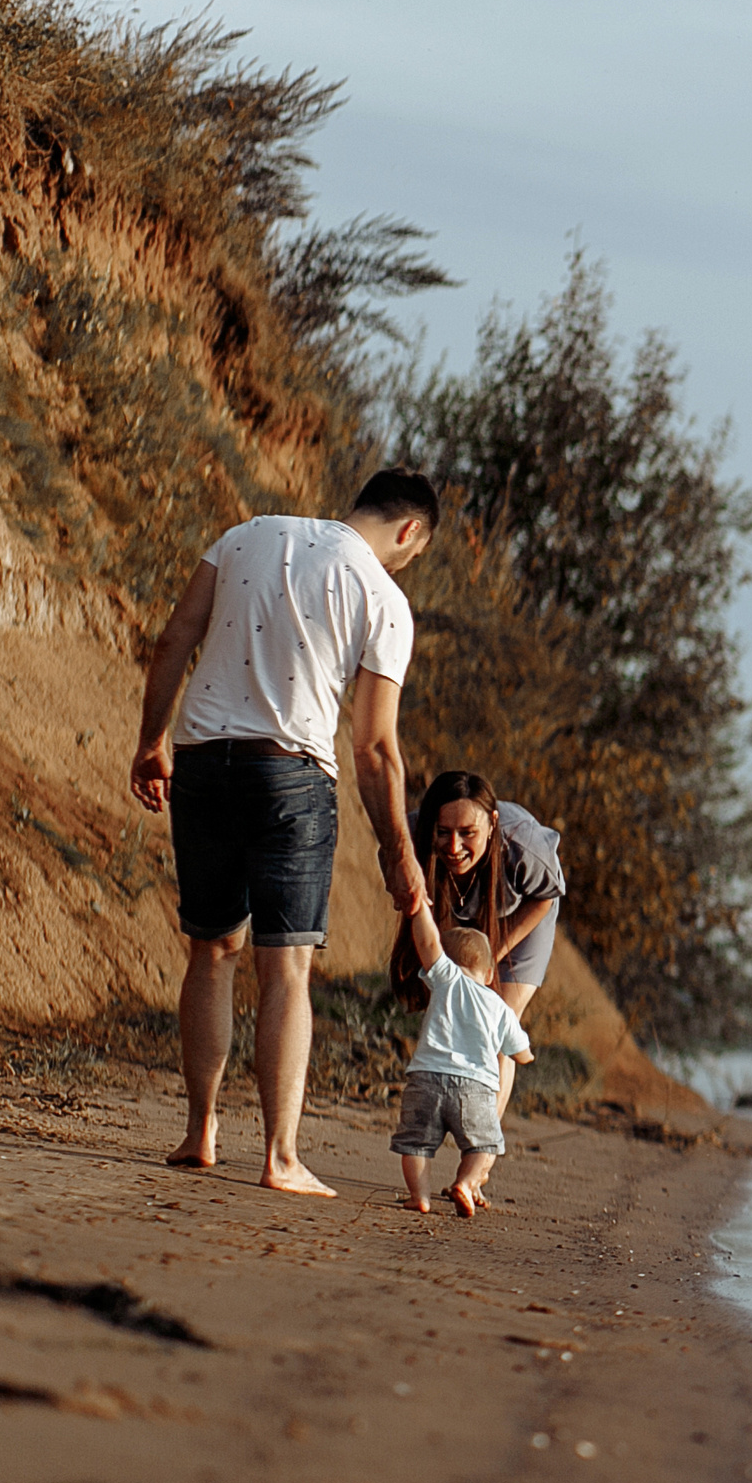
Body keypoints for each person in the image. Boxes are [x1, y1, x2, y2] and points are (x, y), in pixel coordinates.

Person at [128, 470, 438, 1197]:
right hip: (291, 777)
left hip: (204, 765)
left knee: (211, 951)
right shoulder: (383, 597)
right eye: (412, 555)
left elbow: (176, 636)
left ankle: (200, 1132)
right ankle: (280, 1156)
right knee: (286, 969)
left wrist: (152, 740)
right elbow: (375, 749)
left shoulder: (246, 535)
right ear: (409, 532)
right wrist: (399, 853)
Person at [390, 771, 566, 1115]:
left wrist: (492, 956)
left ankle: (482, 1146)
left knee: (497, 1019)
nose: (454, 848)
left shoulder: (524, 844)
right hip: (456, 904)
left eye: (467, 833)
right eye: (443, 833)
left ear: (492, 824)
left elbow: (544, 897)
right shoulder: (409, 836)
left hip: (523, 913)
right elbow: (392, 864)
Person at [388, 894, 531, 1218]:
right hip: (476, 1089)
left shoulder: (446, 979)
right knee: (485, 1144)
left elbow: (427, 943)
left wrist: (420, 908)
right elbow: (519, 1052)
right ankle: (466, 1183)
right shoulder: (500, 1006)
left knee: (415, 1144)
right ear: (491, 973)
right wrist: (527, 1056)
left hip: (426, 1080)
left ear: (446, 965)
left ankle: (419, 1196)